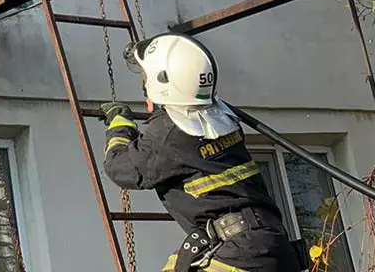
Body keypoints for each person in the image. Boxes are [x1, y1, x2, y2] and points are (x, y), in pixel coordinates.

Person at [99, 32, 305, 272]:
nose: (144, 85)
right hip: (269, 246)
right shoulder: (225, 122)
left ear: (160, 81)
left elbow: (120, 167)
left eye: (145, 79)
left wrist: (120, 124)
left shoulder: (168, 134)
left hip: (239, 254)